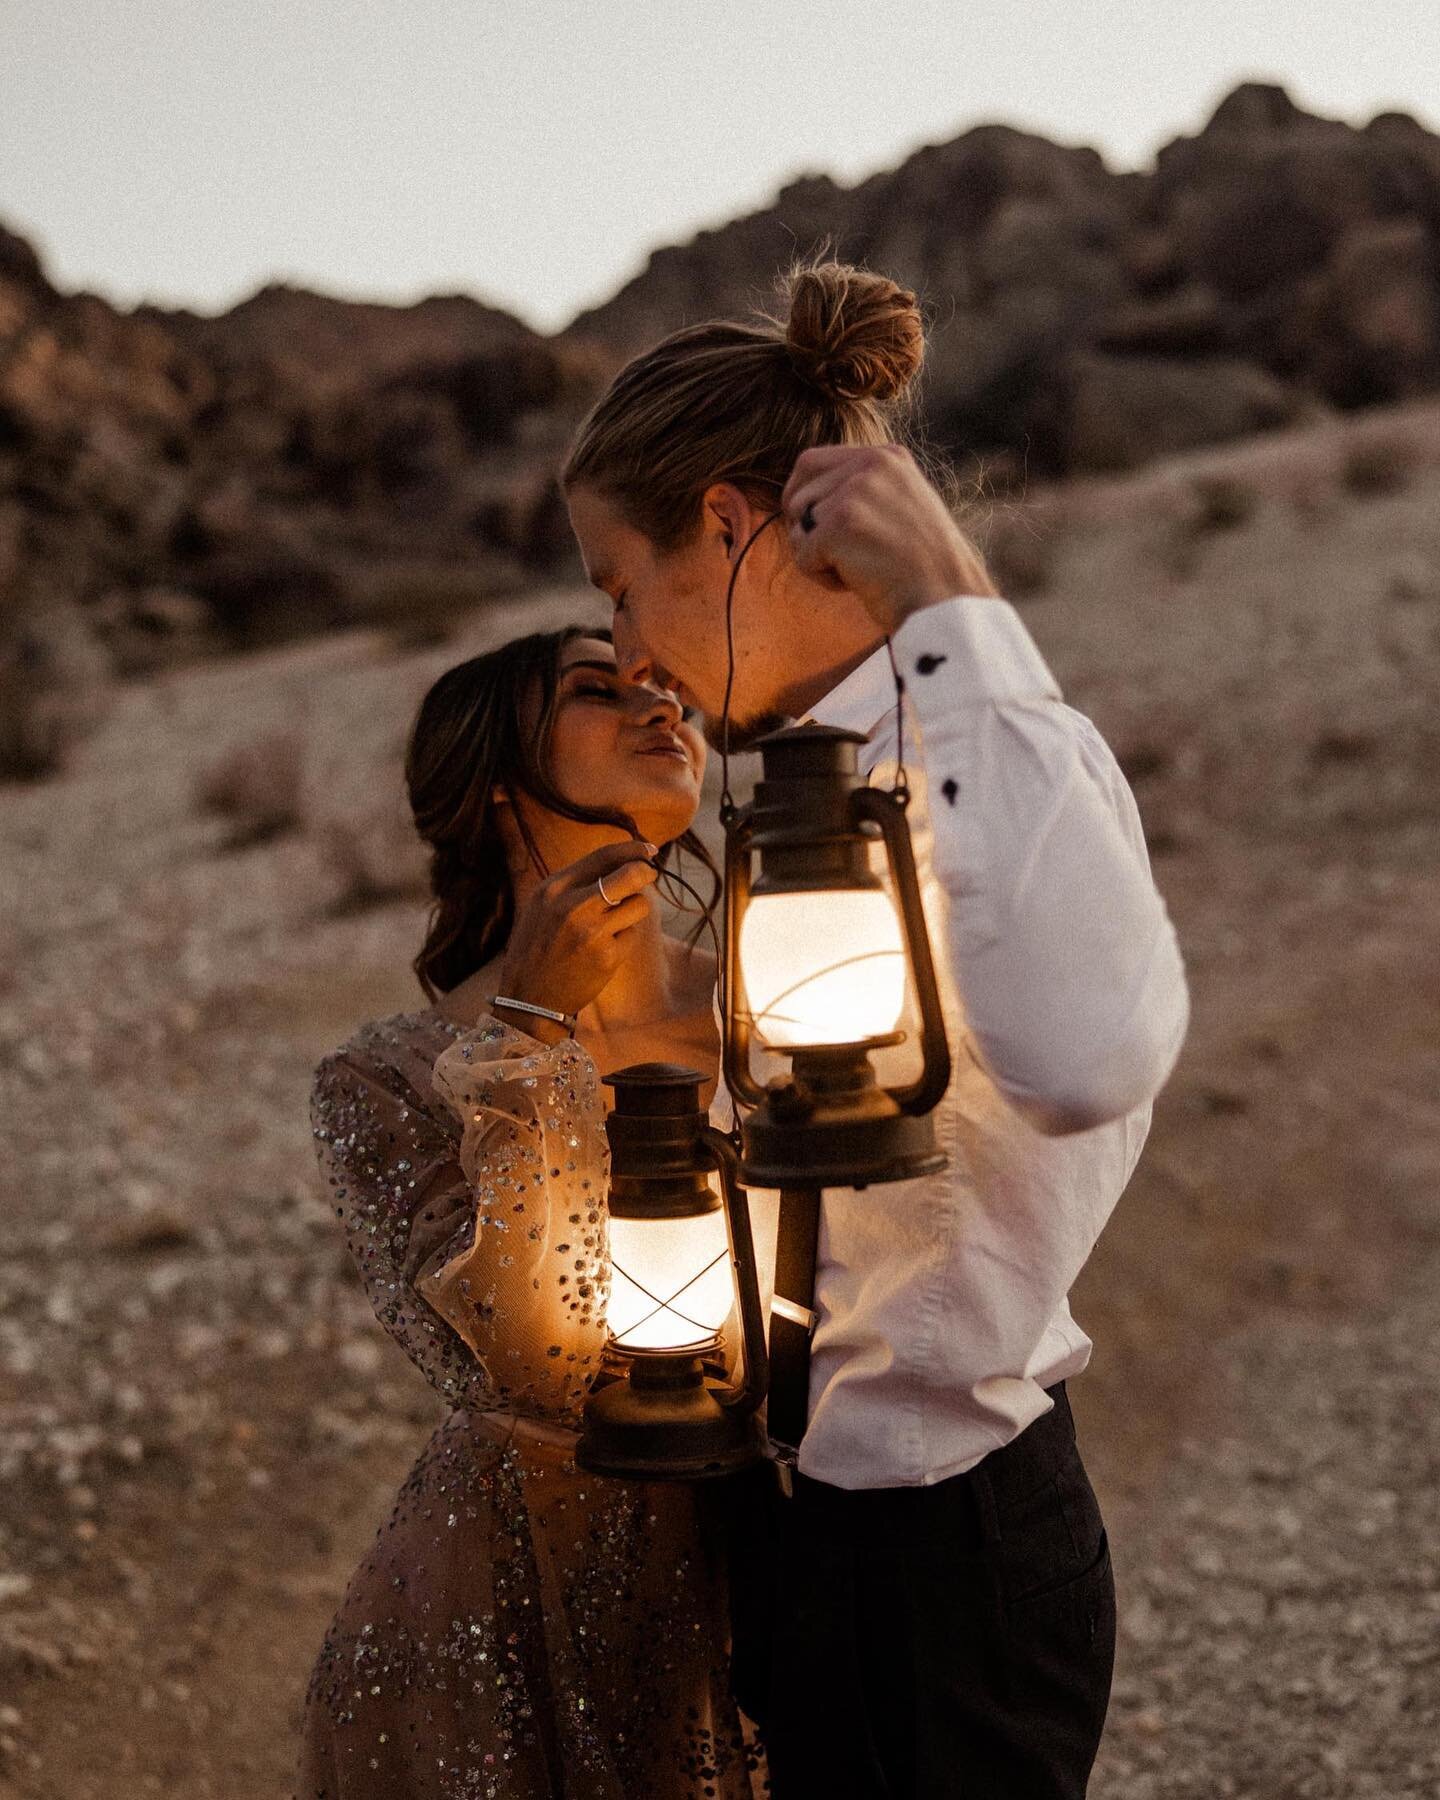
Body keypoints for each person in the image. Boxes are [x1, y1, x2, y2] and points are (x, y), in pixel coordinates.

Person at [559, 258, 1191, 1798]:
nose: (629, 649)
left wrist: (954, 611)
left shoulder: (985, 750)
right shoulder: (791, 791)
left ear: (722, 527)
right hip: (807, 1523)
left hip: (948, 1547)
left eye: (618, 585)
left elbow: (1095, 1056)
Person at [295, 625, 772, 1799]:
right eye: (600, 692)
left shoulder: (799, 1005)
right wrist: (532, 1040)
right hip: (506, 1622)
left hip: (795, 1564)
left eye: (665, 688)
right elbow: (531, 1357)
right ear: (497, 781)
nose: (664, 710)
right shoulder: (388, 1080)